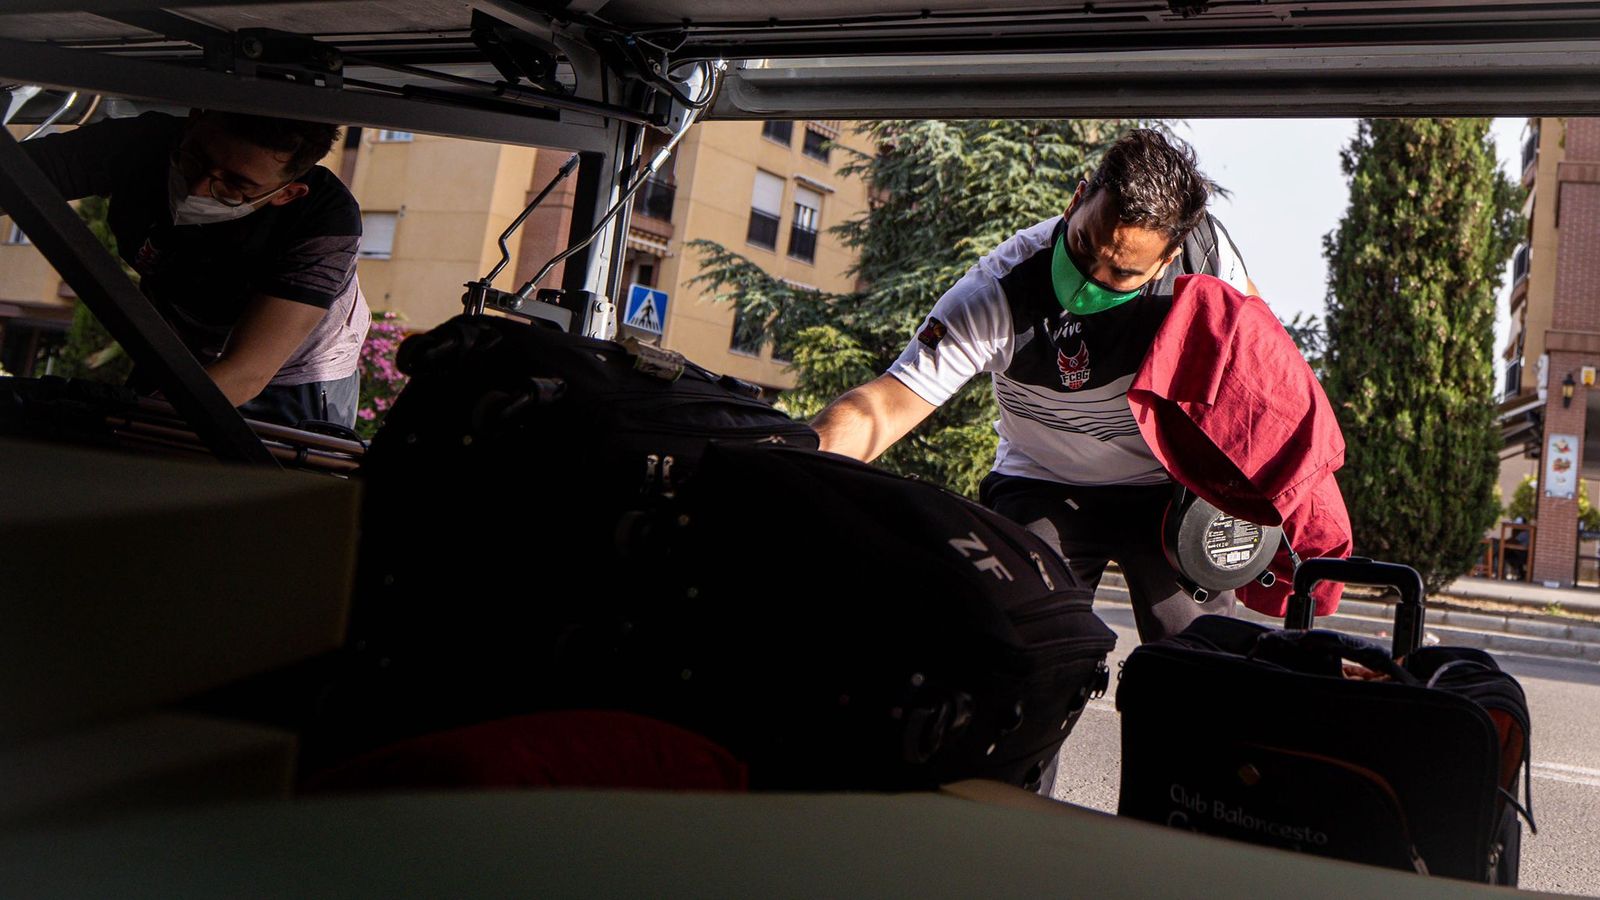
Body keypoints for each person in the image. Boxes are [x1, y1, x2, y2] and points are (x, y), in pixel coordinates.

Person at [812, 128, 1352, 643]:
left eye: (1120, 274)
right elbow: (882, 405)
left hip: (1169, 489)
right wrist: (789, 463)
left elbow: (1260, 364)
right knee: (1022, 647)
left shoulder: (1203, 260)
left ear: (1166, 258)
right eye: (1083, 246)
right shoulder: (1000, 292)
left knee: (1199, 659)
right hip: (1045, 480)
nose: (1091, 278)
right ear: (1076, 201)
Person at [18, 108, 370, 429]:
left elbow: (247, 372)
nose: (197, 188)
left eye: (234, 184)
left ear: (286, 194)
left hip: (293, 374)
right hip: (181, 344)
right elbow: (14, 175)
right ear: (193, 121)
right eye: (196, 159)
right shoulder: (140, 145)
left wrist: (121, 427)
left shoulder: (323, 220)